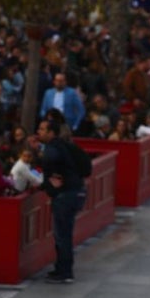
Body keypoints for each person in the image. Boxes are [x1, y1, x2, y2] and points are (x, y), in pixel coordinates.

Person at [37, 119, 84, 284]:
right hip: (74, 192)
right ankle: (62, 268)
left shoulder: (53, 148)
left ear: (51, 133)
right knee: (65, 233)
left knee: (62, 234)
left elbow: (53, 161)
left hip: (65, 195)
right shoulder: (62, 145)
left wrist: (51, 177)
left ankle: (65, 272)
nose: (39, 132)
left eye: (42, 129)